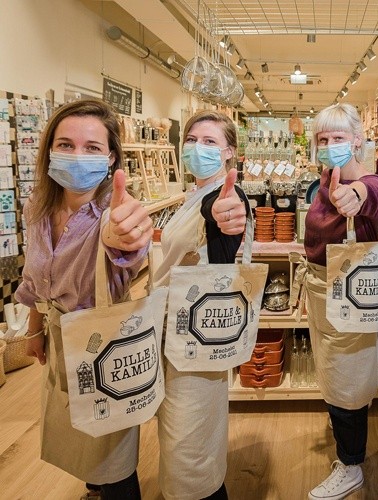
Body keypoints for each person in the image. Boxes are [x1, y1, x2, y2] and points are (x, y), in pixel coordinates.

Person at [15, 99, 153, 500]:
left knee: (112, 456)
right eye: (66, 145)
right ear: (49, 151)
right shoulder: (37, 208)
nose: (77, 156)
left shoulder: (113, 215)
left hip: (103, 346)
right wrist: (35, 331)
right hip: (59, 338)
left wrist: (126, 236)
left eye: (92, 147)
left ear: (110, 159)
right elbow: (33, 280)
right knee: (79, 433)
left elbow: (128, 244)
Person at [153, 110, 250, 500]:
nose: (197, 148)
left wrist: (229, 213)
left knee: (189, 443)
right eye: (191, 140)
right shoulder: (193, 194)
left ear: (229, 153)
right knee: (186, 434)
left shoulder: (221, 196)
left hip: (195, 336)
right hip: (177, 327)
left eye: (210, 142)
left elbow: (223, 212)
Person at [298, 103, 378, 500]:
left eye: (338, 137)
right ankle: (346, 443)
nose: (330, 145)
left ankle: (351, 465)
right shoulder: (324, 180)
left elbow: (375, 193)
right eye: (323, 139)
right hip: (323, 292)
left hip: (347, 298)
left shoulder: (368, 183)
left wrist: (355, 194)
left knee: (348, 380)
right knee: (335, 374)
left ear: (357, 140)